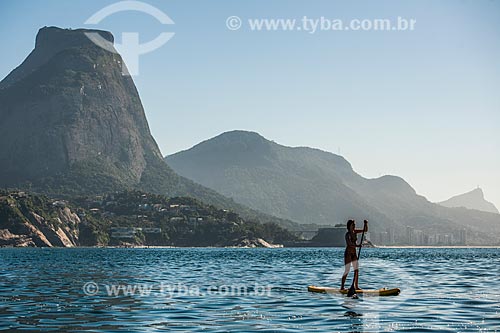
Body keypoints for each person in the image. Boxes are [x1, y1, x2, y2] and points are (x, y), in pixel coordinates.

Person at [340, 219, 368, 291]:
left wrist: (366, 223)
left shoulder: (355, 232)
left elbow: (365, 230)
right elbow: (349, 244)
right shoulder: (347, 234)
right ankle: (342, 287)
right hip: (348, 254)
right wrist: (358, 246)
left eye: (354, 225)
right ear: (349, 226)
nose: (354, 226)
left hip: (354, 253)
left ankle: (356, 286)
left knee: (356, 270)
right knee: (347, 270)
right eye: (353, 225)